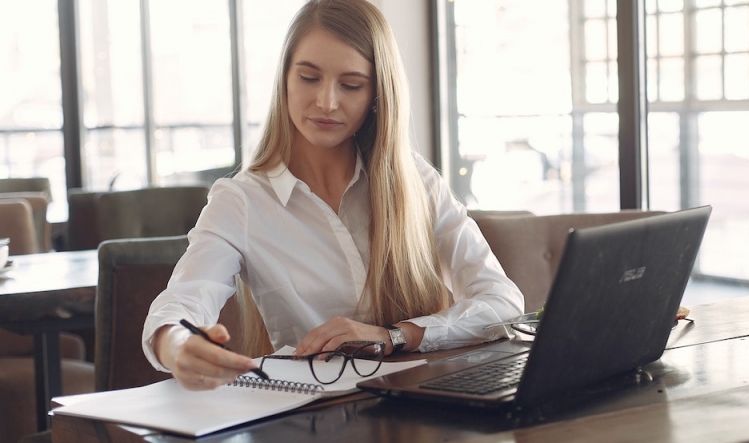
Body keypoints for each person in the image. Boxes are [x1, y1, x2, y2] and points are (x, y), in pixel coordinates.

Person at [142, 0, 524, 391]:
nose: (326, 102)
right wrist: (177, 344)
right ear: (285, 80)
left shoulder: (415, 180)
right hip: (315, 416)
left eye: (351, 85)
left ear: (377, 93)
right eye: (309, 78)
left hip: (424, 405)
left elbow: (502, 302)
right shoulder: (240, 201)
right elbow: (181, 304)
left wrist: (394, 335)